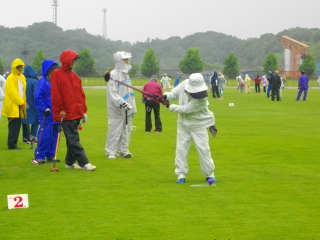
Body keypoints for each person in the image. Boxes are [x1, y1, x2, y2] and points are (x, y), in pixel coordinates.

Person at [163, 73, 217, 184]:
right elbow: (174, 93)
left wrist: (169, 106)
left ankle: (209, 173)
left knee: (203, 149)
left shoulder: (202, 98)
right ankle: (181, 174)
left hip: (198, 125)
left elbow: (186, 109)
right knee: (181, 149)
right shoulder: (184, 84)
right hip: (183, 125)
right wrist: (165, 96)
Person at [51, 50, 96, 171]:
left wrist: (83, 111)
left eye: (76, 60)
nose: (74, 62)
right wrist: (60, 109)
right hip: (66, 114)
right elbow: (56, 94)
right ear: (66, 60)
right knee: (73, 140)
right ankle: (84, 162)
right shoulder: (57, 74)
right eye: (73, 60)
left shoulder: (75, 77)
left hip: (76, 113)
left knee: (72, 139)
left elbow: (81, 95)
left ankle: (69, 162)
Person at [105, 51, 137, 159]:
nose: (128, 61)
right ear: (120, 61)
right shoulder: (113, 75)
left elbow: (129, 92)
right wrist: (123, 104)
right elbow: (112, 93)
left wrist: (132, 106)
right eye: (125, 59)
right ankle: (111, 151)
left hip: (128, 109)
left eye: (128, 59)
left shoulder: (126, 74)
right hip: (117, 109)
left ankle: (123, 150)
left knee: (126, 129)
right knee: (115, 129)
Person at [33, 59, 60, 164]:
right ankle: (40, 155)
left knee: (54, 135)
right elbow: (37, 97)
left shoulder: (55, 81)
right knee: (45, 135)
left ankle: (51, 155)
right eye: (53, 70)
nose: (55, 72)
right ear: (48, 71)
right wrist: (44, 108)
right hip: (46, 113)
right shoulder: (42, 82)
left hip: (55, 113)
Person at [1, 59, 26, 150]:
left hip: (19, 104)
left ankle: (13, 143)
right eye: (18, 67)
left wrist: (23, 102)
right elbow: (13, 93)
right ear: (14, 67)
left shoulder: (22, 77)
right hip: (13, 104)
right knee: (14, 125)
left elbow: (22, 91)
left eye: (21, 66)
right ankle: (12, 144)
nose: (20, 68)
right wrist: (21, 102)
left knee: (18, 124)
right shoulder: (11, 78)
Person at [21, 65, 39, 144]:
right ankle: (32, 137)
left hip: (24, 104)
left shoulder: (22, 80)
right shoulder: (34, 81)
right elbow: (36, 93)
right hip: (33, 104)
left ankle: (25, 138)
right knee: (36, 121)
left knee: (25, 120)